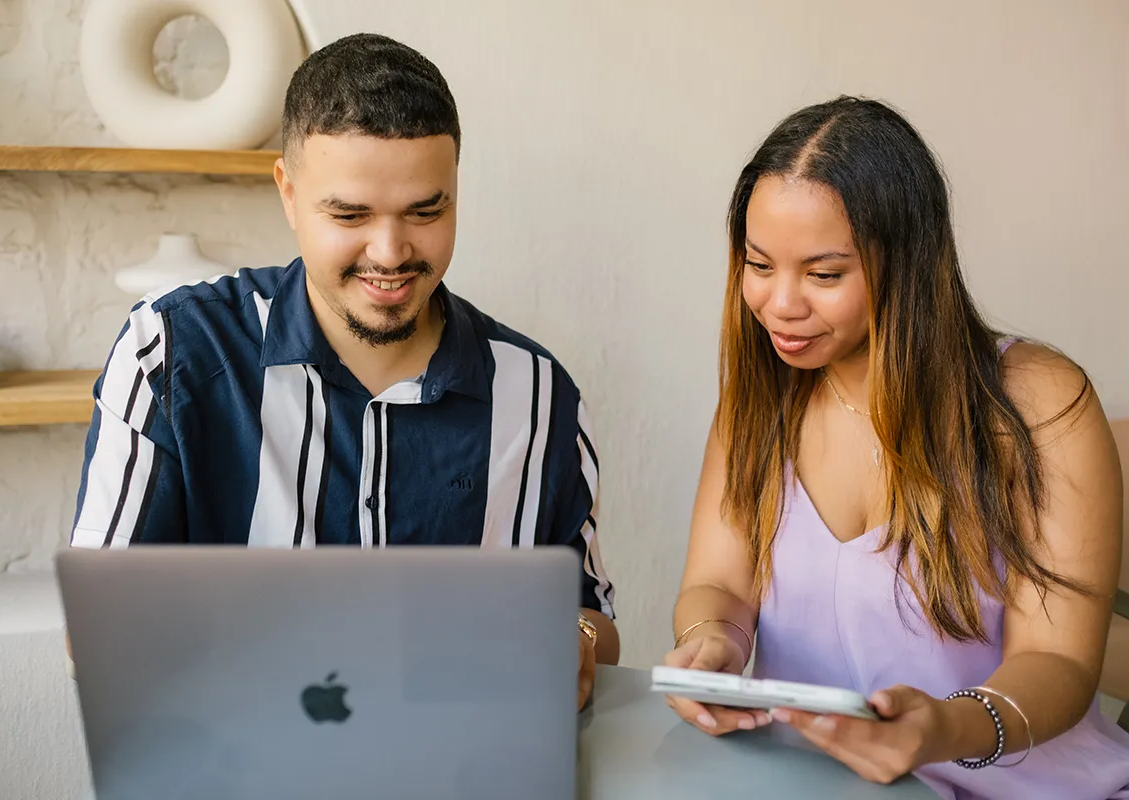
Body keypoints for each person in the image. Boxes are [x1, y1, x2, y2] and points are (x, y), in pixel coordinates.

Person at [68, 33, 618, 708]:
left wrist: (574, 637)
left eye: (426, 210)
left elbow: (594, 620)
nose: (390, 253)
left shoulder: (540, 396)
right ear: (288, 193)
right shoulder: (171, 354)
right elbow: (96, 627)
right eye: (350, 214)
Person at [664, 96, 1129, 798]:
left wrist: (945, 729)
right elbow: (720, 586)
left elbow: (1059, 661)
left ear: (907, 262)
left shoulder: (1036, 403)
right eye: (758, 264)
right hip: (820, 786)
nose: (780, 303)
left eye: (824, 275)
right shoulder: (760, 401)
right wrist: (713, 642)